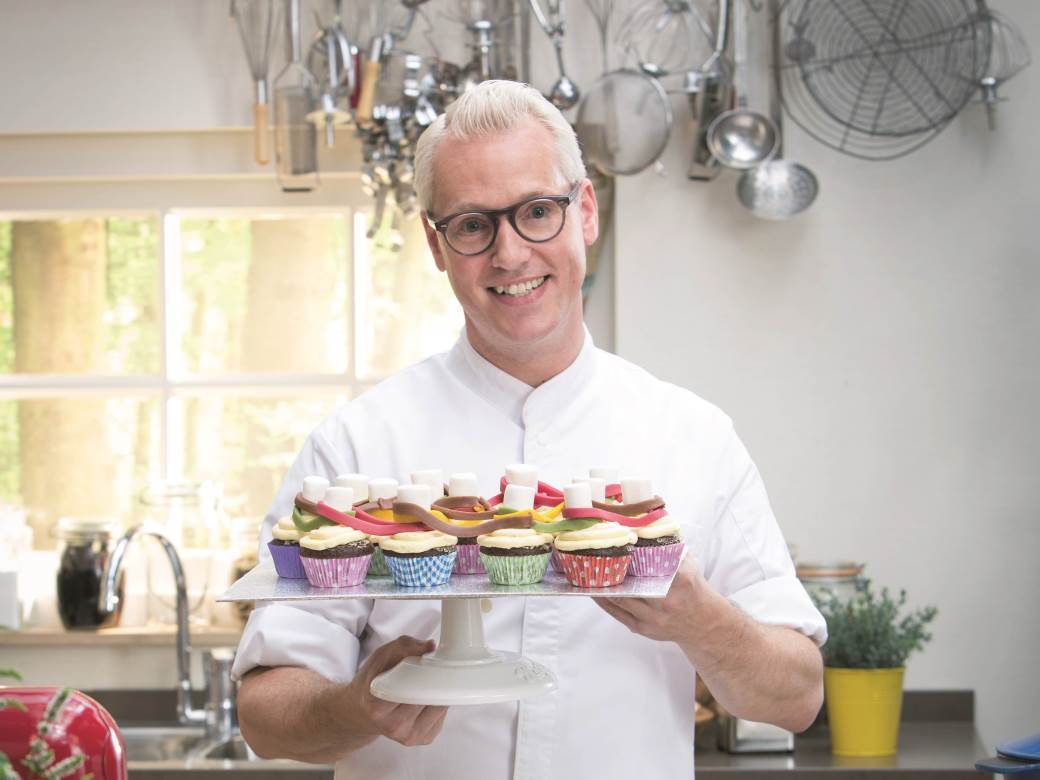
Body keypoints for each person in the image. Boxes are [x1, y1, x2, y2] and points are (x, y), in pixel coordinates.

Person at [233, 80, 826, 779]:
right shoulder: (356, 445)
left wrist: (702, 621)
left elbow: (798, 696)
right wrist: (355, 710)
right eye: (472, 225)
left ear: (586, 212)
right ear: (436, 244)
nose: (510, 255)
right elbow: (264, 715)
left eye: (538, 212)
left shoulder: (694, 438)